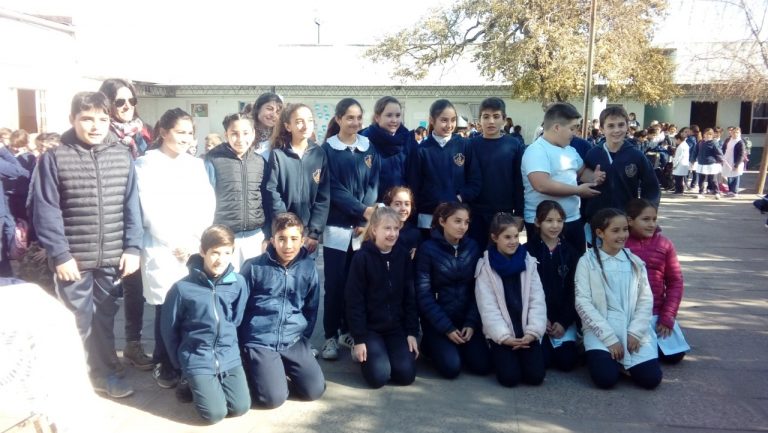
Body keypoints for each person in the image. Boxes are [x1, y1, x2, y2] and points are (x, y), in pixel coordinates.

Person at [33, 91, 143, 398]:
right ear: (72, 119)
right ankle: (72, 380)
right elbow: (46, 210)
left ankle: (106, 373)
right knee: (76, 321)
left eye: (102, 119)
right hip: (73, 260)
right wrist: (60, 254)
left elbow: (132, 205)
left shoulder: (121, 155)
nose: (95, 126)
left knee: (104, 318)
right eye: (87, 119)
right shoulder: (55, 157)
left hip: (112, 257)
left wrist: (133, 248)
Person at [135, 108, 216, 389]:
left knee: (189, 307)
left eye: (190, 133)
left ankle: (187, 362)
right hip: (162, 246)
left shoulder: (195, 165)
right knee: (165, 309)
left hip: (192, 245)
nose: (186, 138)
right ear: (163, 132)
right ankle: (165, 362)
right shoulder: (146, 164)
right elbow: (149, 209)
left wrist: (195, 241)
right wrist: (174, 242)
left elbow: (207, 203)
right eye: (180, 132)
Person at [161, 225, 251, 424]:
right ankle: (189, 380)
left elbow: (236, 319)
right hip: (197, 357)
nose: (220, 259)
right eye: (215, 253)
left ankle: (212, 383)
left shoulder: (238, 283)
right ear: (202, 251)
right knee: (215, 414)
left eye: (227, 253)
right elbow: (169, 330)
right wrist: (180, 365)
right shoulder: (182, 288)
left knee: (240, 407)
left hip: (227, 355)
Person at [239, 212, 325, 407]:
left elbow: (311, 307)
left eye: (294, 239)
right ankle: (255, 369)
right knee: (273, 399)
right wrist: (242, 343)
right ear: (272, 240)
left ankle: (276, 369)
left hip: (292, 340)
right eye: (282, 239)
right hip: (260, 340)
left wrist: (303, 338)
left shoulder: (308, 267)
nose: (288, 246)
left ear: (302, 240)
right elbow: (238, 308)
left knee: (314, 390)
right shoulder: (253, 267)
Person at [98, 78, 155, 372]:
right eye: (119, 101)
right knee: (108, 291)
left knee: (136, 287)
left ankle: (132, 343)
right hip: (111, 220)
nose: (126, 106)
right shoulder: (101, 135)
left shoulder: (144, 133)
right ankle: (103, 353)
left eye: (131, 100)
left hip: (143, 219)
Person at [575, 208, 662, 390]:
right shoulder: (587, 262)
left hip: (631, 329)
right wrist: (610, 339)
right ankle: (601, 358)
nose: (622, 235)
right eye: (615, 231)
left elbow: (645, 300)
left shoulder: (635, 262)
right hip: (601, 331)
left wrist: (635, 333)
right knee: (605, 379)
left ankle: (622, 363)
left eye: (625, 229)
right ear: (600, 233)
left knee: (651, 379)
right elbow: (583, 302)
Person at [320, 98, 380, 360]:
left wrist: (366, 217)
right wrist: (361, 210)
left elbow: (374, 183)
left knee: (356, 285)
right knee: (335, 284)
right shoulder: (327, 150)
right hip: (337, 227)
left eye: (358, 117)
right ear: (338, 119)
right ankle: (330, 336)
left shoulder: (368, 147)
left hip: (361, 228)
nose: (355, 122)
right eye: (349, 118)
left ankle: (348, 331)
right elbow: (331, 187)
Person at [345, 207, 419, 388]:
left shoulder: (402, 256)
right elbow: (354, 301)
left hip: (395, 328)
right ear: (374, 230)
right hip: (370, 329)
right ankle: (367, 353)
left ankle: (388, 353)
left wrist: (411, 332)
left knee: (406, 375)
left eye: (396, 228)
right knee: (379, 377)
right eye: (387, 228)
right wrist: (359, 338)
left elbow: (410, 296)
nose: (392, 233)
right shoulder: (362, 258)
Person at [415, 202, 491, 378]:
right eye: (457, 221)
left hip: (465, 320)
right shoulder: (427, 249)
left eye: (466, 222)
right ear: (442, 221)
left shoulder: (472, 247)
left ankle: (458, 347)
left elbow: (478, 289)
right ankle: (429, 345)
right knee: (451, 368)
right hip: (439, 322)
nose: (463, 226)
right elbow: (423, 294)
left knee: (482, 366)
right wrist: (446, 328)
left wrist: (471, 323)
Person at [521, 102, 604, 253]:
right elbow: (541, 184)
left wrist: (594, 177)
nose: (575, 133)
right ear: (557, 127)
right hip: (542, 224)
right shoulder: (536, 151)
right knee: (544, 266)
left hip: (572, 219)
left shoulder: (570, 150)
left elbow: (581, 172)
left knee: (576, 264)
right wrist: (578, 190)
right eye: (572, 128)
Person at [475, 213, 546, 387]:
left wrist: (532, 332)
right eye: (507, 237)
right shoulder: (486, 267)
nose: (513, 241)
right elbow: (488, 307)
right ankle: (495, 352)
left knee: (535, 377)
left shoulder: (529, 262)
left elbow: (537, 300)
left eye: (516, 236)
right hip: (503, 333)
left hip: (526, 331)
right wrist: (503, 337)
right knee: (509, 378)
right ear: (494, 238)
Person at [625, 199, 689, 364]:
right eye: (646, 219)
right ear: (630, 221)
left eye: (654, 219)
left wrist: (668, 316)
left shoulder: (664, 244)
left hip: (657, 312)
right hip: (630, 314)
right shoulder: (620, 243)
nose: (652, 224)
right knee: (642, 357)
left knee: (674, 356)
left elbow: (675, 282)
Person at [407, 99, 481, 238]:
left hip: (458, 217)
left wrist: (459, 197)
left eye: (453, 120)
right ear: (432, 120)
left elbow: (475, 181)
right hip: (428, 219)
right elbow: (414, 187)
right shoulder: (421, 150)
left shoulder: (465, 145)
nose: (449, 125)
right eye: (444, 120)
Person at [205, 113, 267, 271]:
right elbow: (205, 200)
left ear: (253, 133)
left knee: (253, 280)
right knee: (229, 281)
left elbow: (266, 199)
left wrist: (267, 234)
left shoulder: (260, 161)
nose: (240, 139)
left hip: (255, 237)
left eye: (245, 133)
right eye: (234, 133)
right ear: (226, 134)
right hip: (224, 238)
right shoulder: (213, 160)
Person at [265, 103, 329, 253]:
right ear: (288, 126)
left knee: (306, 267)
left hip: (308, 234)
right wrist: (285, 224)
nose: (306, 126)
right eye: (299, 121)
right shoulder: (278, 155)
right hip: (284, 230)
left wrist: (314, 232)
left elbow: (323, 197)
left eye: (310, 120)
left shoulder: (319, 154)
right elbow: (272, 192)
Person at [582, 106, 660, 227]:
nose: (617, 130)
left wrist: (645, 214)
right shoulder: (593, 154)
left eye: (621, 125)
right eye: (611, 126)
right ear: (602, 129)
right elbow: (581, 183)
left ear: (627, 126)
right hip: (596, 220)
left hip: (625, 221)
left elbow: (651, 187)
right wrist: (591, 179)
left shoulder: (636, 155)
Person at [525, 201, 579, 371]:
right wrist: (541, 318)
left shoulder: (571, 253)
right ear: (537, 222)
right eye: (549, 220)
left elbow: (574, 291)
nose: (555, 226)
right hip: (537, 316)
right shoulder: (526, 252)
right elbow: (524, 291)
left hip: (562, 319)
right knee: (544, 361)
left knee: (566, 362)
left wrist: (564, 321)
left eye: (559, 220)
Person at [468, 97, 525, 249]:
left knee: (502, 254)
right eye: (486, 117)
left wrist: (519, 214)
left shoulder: (514, 145)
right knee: (476, 254)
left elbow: (519, 181)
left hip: (504, 212)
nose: (491, 121)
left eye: (496, 116)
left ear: (504, 120)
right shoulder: (470, 145)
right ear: (480, 120)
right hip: (476, 213)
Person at [360, 96, 415, 200]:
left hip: (400, 203)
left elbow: (413, 176)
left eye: (398, 115)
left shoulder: (407, 139)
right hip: (373, 205)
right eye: (389, 115)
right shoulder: (364, 141)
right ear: (377, 117)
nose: (394, 120)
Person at [382, 186, 420, 258]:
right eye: (397, 204)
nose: (403, 208)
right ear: (388, 206)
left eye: (407, 204)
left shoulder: (414, 234)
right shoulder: (380, 231)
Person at [690, 128, 724, 199]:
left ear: (712, 135)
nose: (708, 135)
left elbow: (719, 152)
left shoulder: (714, 143)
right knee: (701, 179)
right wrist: (692, 160)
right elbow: (695, 152)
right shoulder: (700, 142)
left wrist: (720, 161)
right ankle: (701, 192)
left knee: (713, 179)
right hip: (701, 163)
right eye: (707, 134)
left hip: (711, 163)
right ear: (704, 134)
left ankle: (716, 192)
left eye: (710, 134)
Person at [250, 92, 284, 159]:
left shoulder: (281, 139)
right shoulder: (244, 134)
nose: (273, 115)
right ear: (258, 108)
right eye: (269, 109)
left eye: (277, 112)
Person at [721, 127, 746, 197]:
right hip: (727, 161)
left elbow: (741, 155)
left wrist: (736, 165)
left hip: (735, 162)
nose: (735, 134)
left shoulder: (740, 142)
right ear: (731, 133)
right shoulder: (728, 140)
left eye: (737, 132)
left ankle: (734, 191)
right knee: (729, 176)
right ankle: (730, 191)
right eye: (734, 132)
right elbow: (723, 149)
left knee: (735, 176)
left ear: (740, 133)